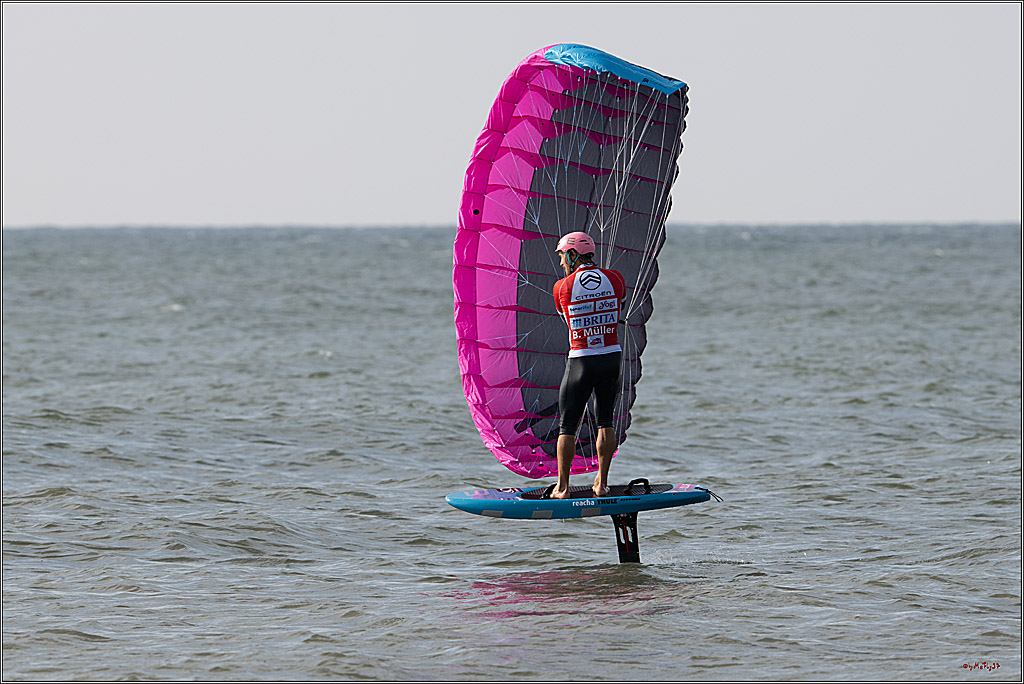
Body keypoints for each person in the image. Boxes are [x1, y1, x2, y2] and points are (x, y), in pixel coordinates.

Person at [549, 231, 626, 499]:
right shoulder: (615, 279)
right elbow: (619, 309)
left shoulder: (562, 287)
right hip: (611, 357)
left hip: (581, 359)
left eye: (562, 256)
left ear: (572, 254)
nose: (560, 263)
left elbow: (566, 319)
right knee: (606, 419)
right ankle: (602, 484)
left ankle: (562, 487)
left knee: (567, 425)